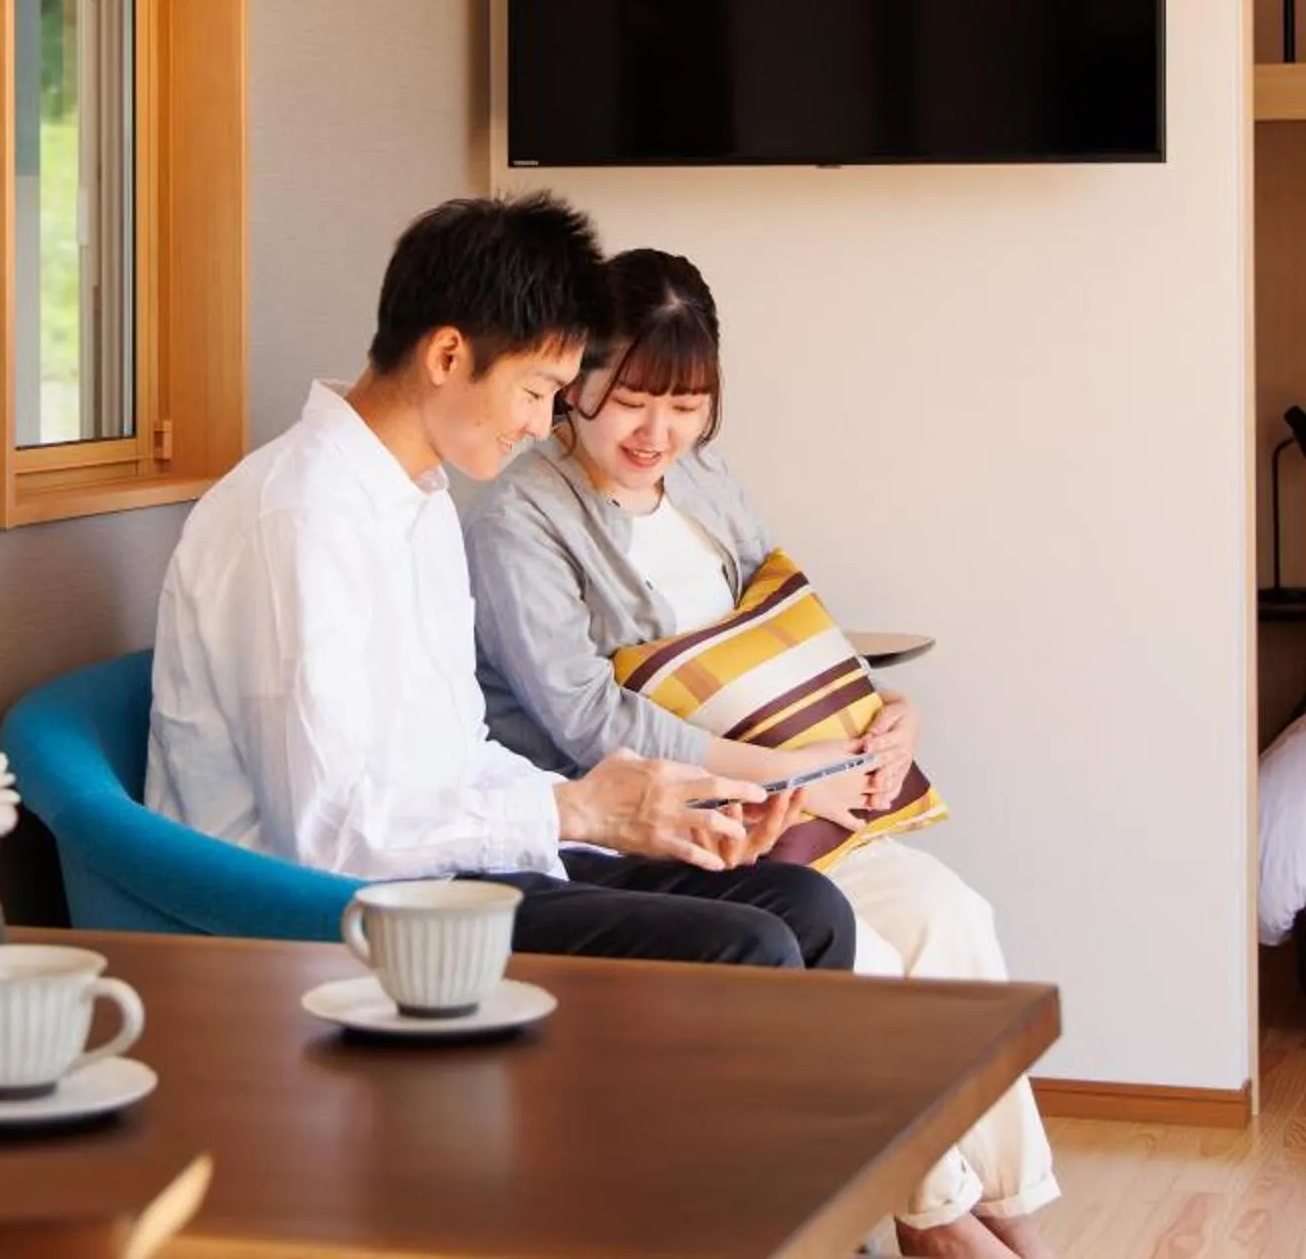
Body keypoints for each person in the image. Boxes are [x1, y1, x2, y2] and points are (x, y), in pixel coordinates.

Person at [465, 249, 1060, 1259]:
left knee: (956, 920)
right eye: (632, 401)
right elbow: (586, 718)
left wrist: (884, 713)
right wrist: (777, 770)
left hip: (790, 802)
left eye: (687, 405)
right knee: (867, 961)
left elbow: (786, 626)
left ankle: (1011, 1219)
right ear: (578, 383)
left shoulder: (704, 480)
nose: (659, 433)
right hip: (655, 825)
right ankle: (942, 1221)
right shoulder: (523, 512)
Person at [145, 193, 857, 971]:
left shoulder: (419, 500)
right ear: (448, 356)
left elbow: (457, 755)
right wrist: (575, 808)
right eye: (535, 390)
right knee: (746, 945)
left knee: (803, 906)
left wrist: (656, 809)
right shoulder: (299, 517)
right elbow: (330, 834)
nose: (540, 421)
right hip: (347, 912)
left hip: (449, 869)